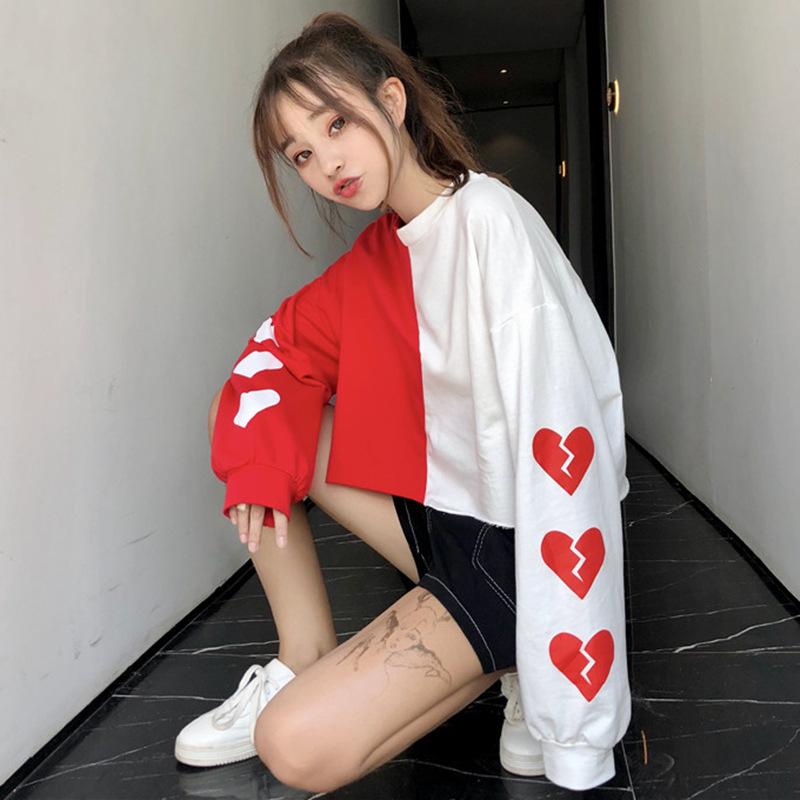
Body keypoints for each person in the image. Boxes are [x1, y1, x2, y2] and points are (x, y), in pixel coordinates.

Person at [174, 10, 631, 794]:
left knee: (293, 747)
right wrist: (255, 469)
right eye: (302, 153)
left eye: (336, 124)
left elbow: (566, 459)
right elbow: (273, 359)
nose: (327, 164)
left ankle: (523, 657)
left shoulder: (489, 222)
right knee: (244, 413)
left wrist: (574, 724)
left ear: (391, 100)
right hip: (440, 526)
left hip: (517, 554)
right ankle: (303, 657)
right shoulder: (378, 256)